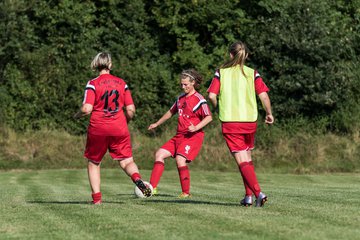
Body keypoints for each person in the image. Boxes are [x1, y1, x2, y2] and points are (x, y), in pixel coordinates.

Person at [74, 52, 152, 204]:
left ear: (96, 65)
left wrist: (76, 115)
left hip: (98, 128)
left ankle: (97, 200)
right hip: (119, 127)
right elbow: (131, 109)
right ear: (110, 65)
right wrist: (125, 122)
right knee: (126, 161)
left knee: (94, 162)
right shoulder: (122, 83)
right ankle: (137, 179)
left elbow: (86, 109)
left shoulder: (93, 83)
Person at [207, 41, 274, 207]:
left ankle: (258, 193)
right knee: (247, 159)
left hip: (231, 122)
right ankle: (248, 197)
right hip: (250, 122)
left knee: (242, 160)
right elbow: (264, 96)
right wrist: (269, 113)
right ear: (246, 56)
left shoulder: (221, 73)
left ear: (230, 55)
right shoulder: (252, 73)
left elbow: (211, 96)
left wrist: (217, 106)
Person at [148, 69, 212, 198]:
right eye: (181, 84)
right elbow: (170, 112)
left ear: (193, 82)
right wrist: (157, 123)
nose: (183, 87)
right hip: (179, 136)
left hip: (193, 137)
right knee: (159, 154)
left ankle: (186, 193)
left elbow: (209, 117)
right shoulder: (180, 99)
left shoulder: (200, 99)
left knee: (180, 159)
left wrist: (196, 127)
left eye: (186, 84)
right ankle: (152, 188)